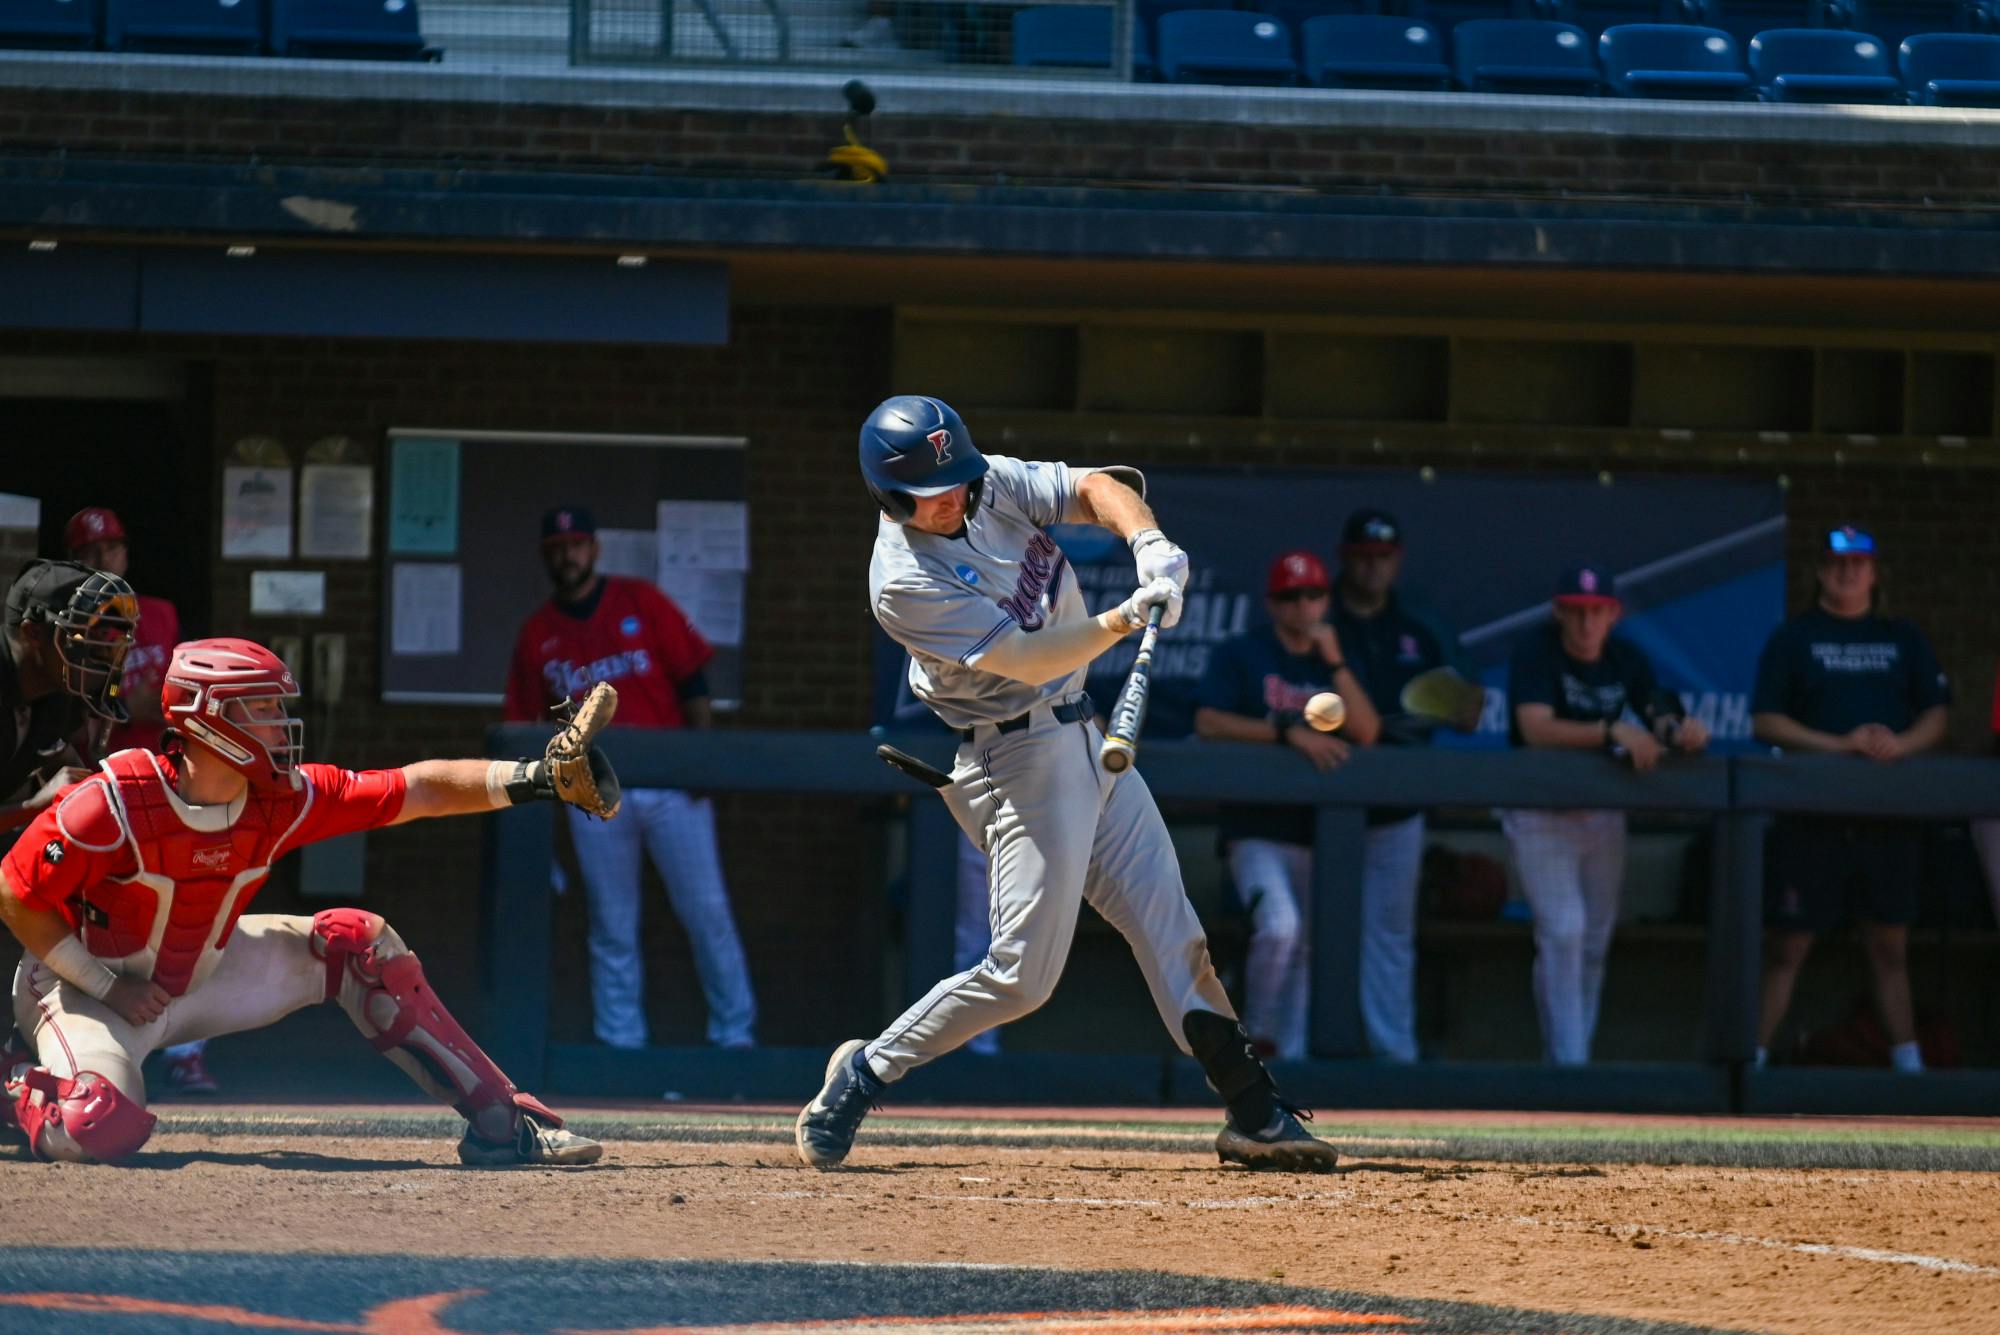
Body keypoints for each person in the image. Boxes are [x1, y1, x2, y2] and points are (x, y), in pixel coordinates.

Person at [797, 394, 1341, 1173]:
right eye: (932, 489)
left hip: (1084, 733)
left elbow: (1094, 487)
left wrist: (1149, 543)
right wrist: (1125, 618)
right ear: (890, 495)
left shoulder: (989, 482)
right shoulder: (902, 580)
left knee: (1173, 929)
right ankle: (867, 1068)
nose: (953, 494)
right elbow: (1025, 658)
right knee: (1023, 975)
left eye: (957, 476)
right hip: (1015, 759)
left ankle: (1254, 1112)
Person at [0, 637, 607, 1165]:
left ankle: (504, 1124)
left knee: (359, 944)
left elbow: (415, 789)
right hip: (84, 988)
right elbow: (14, 895)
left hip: (196, 976)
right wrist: (109, 988)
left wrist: (539, 777)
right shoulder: (113, 800)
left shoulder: (283, 797)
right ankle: (14, 1082)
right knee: (96, 1126)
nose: (279, 723)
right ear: (206, 718)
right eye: (261, 707)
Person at [504, 506, 756, 1051]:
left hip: (671, 786)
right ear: (546, 556)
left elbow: (694, 684)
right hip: (593, 791)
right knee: (612, 923)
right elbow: (526, 731)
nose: (567, 555)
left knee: (707, 911)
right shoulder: (537, 634)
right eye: (557, 547)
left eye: (576, 545)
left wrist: (699, 764)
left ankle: (735, 1037)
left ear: (594, 549)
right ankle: (620, 1042)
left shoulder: (642, 601)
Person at [1751, 526, 1949, 1074]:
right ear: (1820, 571)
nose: (1848, 572)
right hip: (1811, 817)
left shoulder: (1901, 636)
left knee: (1890, 950)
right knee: (1787, 947)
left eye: (1859, 563)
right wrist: (1838, 744)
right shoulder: (1794, 637)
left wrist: (1898, 743)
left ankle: (1911, 1072)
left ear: (1874, 571)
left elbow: (1937, 714)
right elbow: (1764, 718)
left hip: (1884, 818)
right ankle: (1750, 1067)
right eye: (1838, 563)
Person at [1502, 564, 1709, 1066]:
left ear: (1613, 614)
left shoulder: (1626, 656)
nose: (1586, 623)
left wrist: (1674, 728)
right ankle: (1567, 1067)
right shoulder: (1536, 650)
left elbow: (1654, 704)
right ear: (1559, 612)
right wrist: (1610, 730)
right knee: (1564, 930)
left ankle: (1575, 1058)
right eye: (1576, 612)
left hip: (1600, 812)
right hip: (1541, 811)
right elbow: (1535, 728)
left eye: (1596, 612)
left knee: (1593, 939)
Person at [1192, 549, 1383, 1061]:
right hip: (1255, 827)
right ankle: (1255, 1038)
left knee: (1313, 945)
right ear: (1273, 603)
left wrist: (1336, 662)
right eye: (1291, 597)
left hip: (1320, 833)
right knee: (1280, 928)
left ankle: (1291, 1057)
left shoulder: (1337, 656)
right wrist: (1286, 732)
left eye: (1314, 595)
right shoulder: (1243, 653)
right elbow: (1208, 722)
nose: (1303, 606)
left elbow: (1366, 732)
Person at [65, 505, 216, 1096]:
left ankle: (187, 1054)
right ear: (74, 563)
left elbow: (181, 698)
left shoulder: (159, 614)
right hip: (111, 790)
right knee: (109, 920)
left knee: (187, 913)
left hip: (174, 781)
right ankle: (107, 1045)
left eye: (114, 549)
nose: (105, 561)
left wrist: (150, 701)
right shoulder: (71, 630)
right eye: (91, 553)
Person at [1329, 508, 1482, 1062]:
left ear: (1397, 561)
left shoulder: (1418, 626)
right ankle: (1299, 1056)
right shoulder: (1323, 620)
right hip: (1320, 803)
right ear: (1346, 557)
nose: (1373, 568)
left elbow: (1469, 710)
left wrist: (1462, 700)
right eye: (1364, 557)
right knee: (1303, 935)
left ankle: (1395, 1058)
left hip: (1398, 803)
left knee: (1389, 937)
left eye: (1383, 557)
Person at [0, 560, 136, 839]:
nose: (98, 654)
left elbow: (64, 763)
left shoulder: (57, 690)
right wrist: (32, 806)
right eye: (80, 635)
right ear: (33, 633)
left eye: (101, 635)